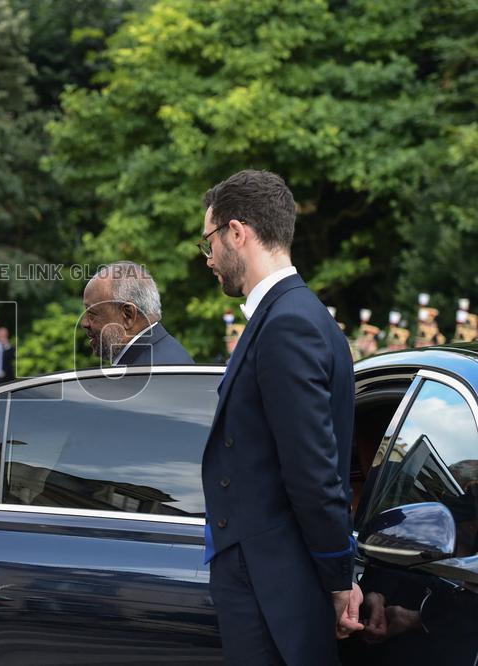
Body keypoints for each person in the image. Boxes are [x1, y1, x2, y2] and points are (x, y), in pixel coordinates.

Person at [198, 170, 360, 664]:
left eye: (208, 241)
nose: (208, 258)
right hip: (269, 573)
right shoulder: (290, 315)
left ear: (237, 232)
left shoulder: (287, 323)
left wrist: (339, 577)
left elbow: (311, 471)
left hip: (274, 582)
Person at [81, 261, 193, 366]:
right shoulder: (164, 357)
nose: (84, 323)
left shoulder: (143, 374)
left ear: (128, 315)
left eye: (92, 314)